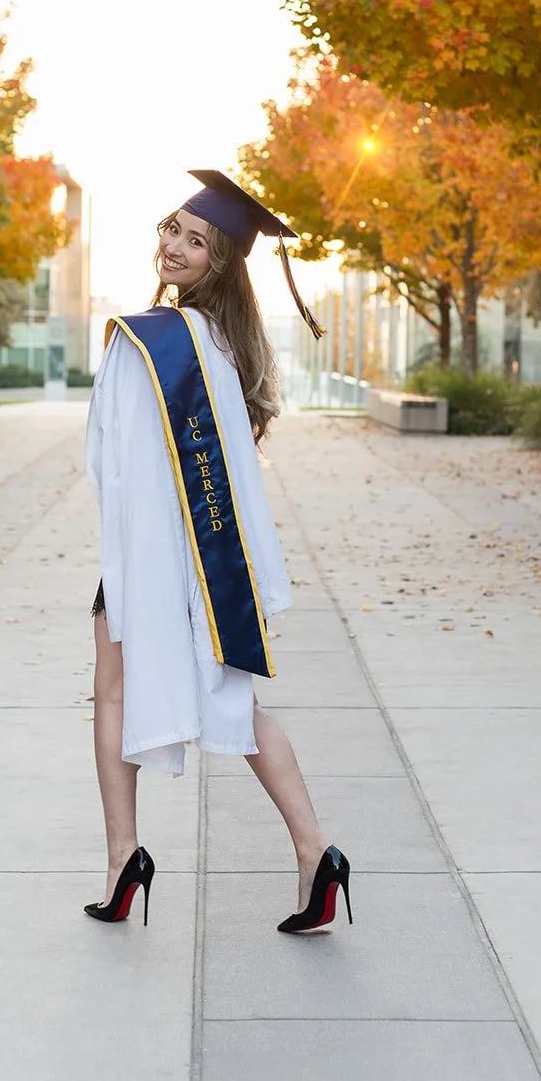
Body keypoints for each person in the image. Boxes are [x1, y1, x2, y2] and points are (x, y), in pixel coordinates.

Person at [83, 170, 352, 935]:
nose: (173, 246)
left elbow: (116, 461)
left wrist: (132, 559)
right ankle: (315, 853)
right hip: (207, 561)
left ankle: (122, 860)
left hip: (152, 555)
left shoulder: (156, 337)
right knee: (235, 699)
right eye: (172, 228)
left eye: (194, 241)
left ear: (219, 263)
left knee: (110, 694)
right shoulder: (226, 346)